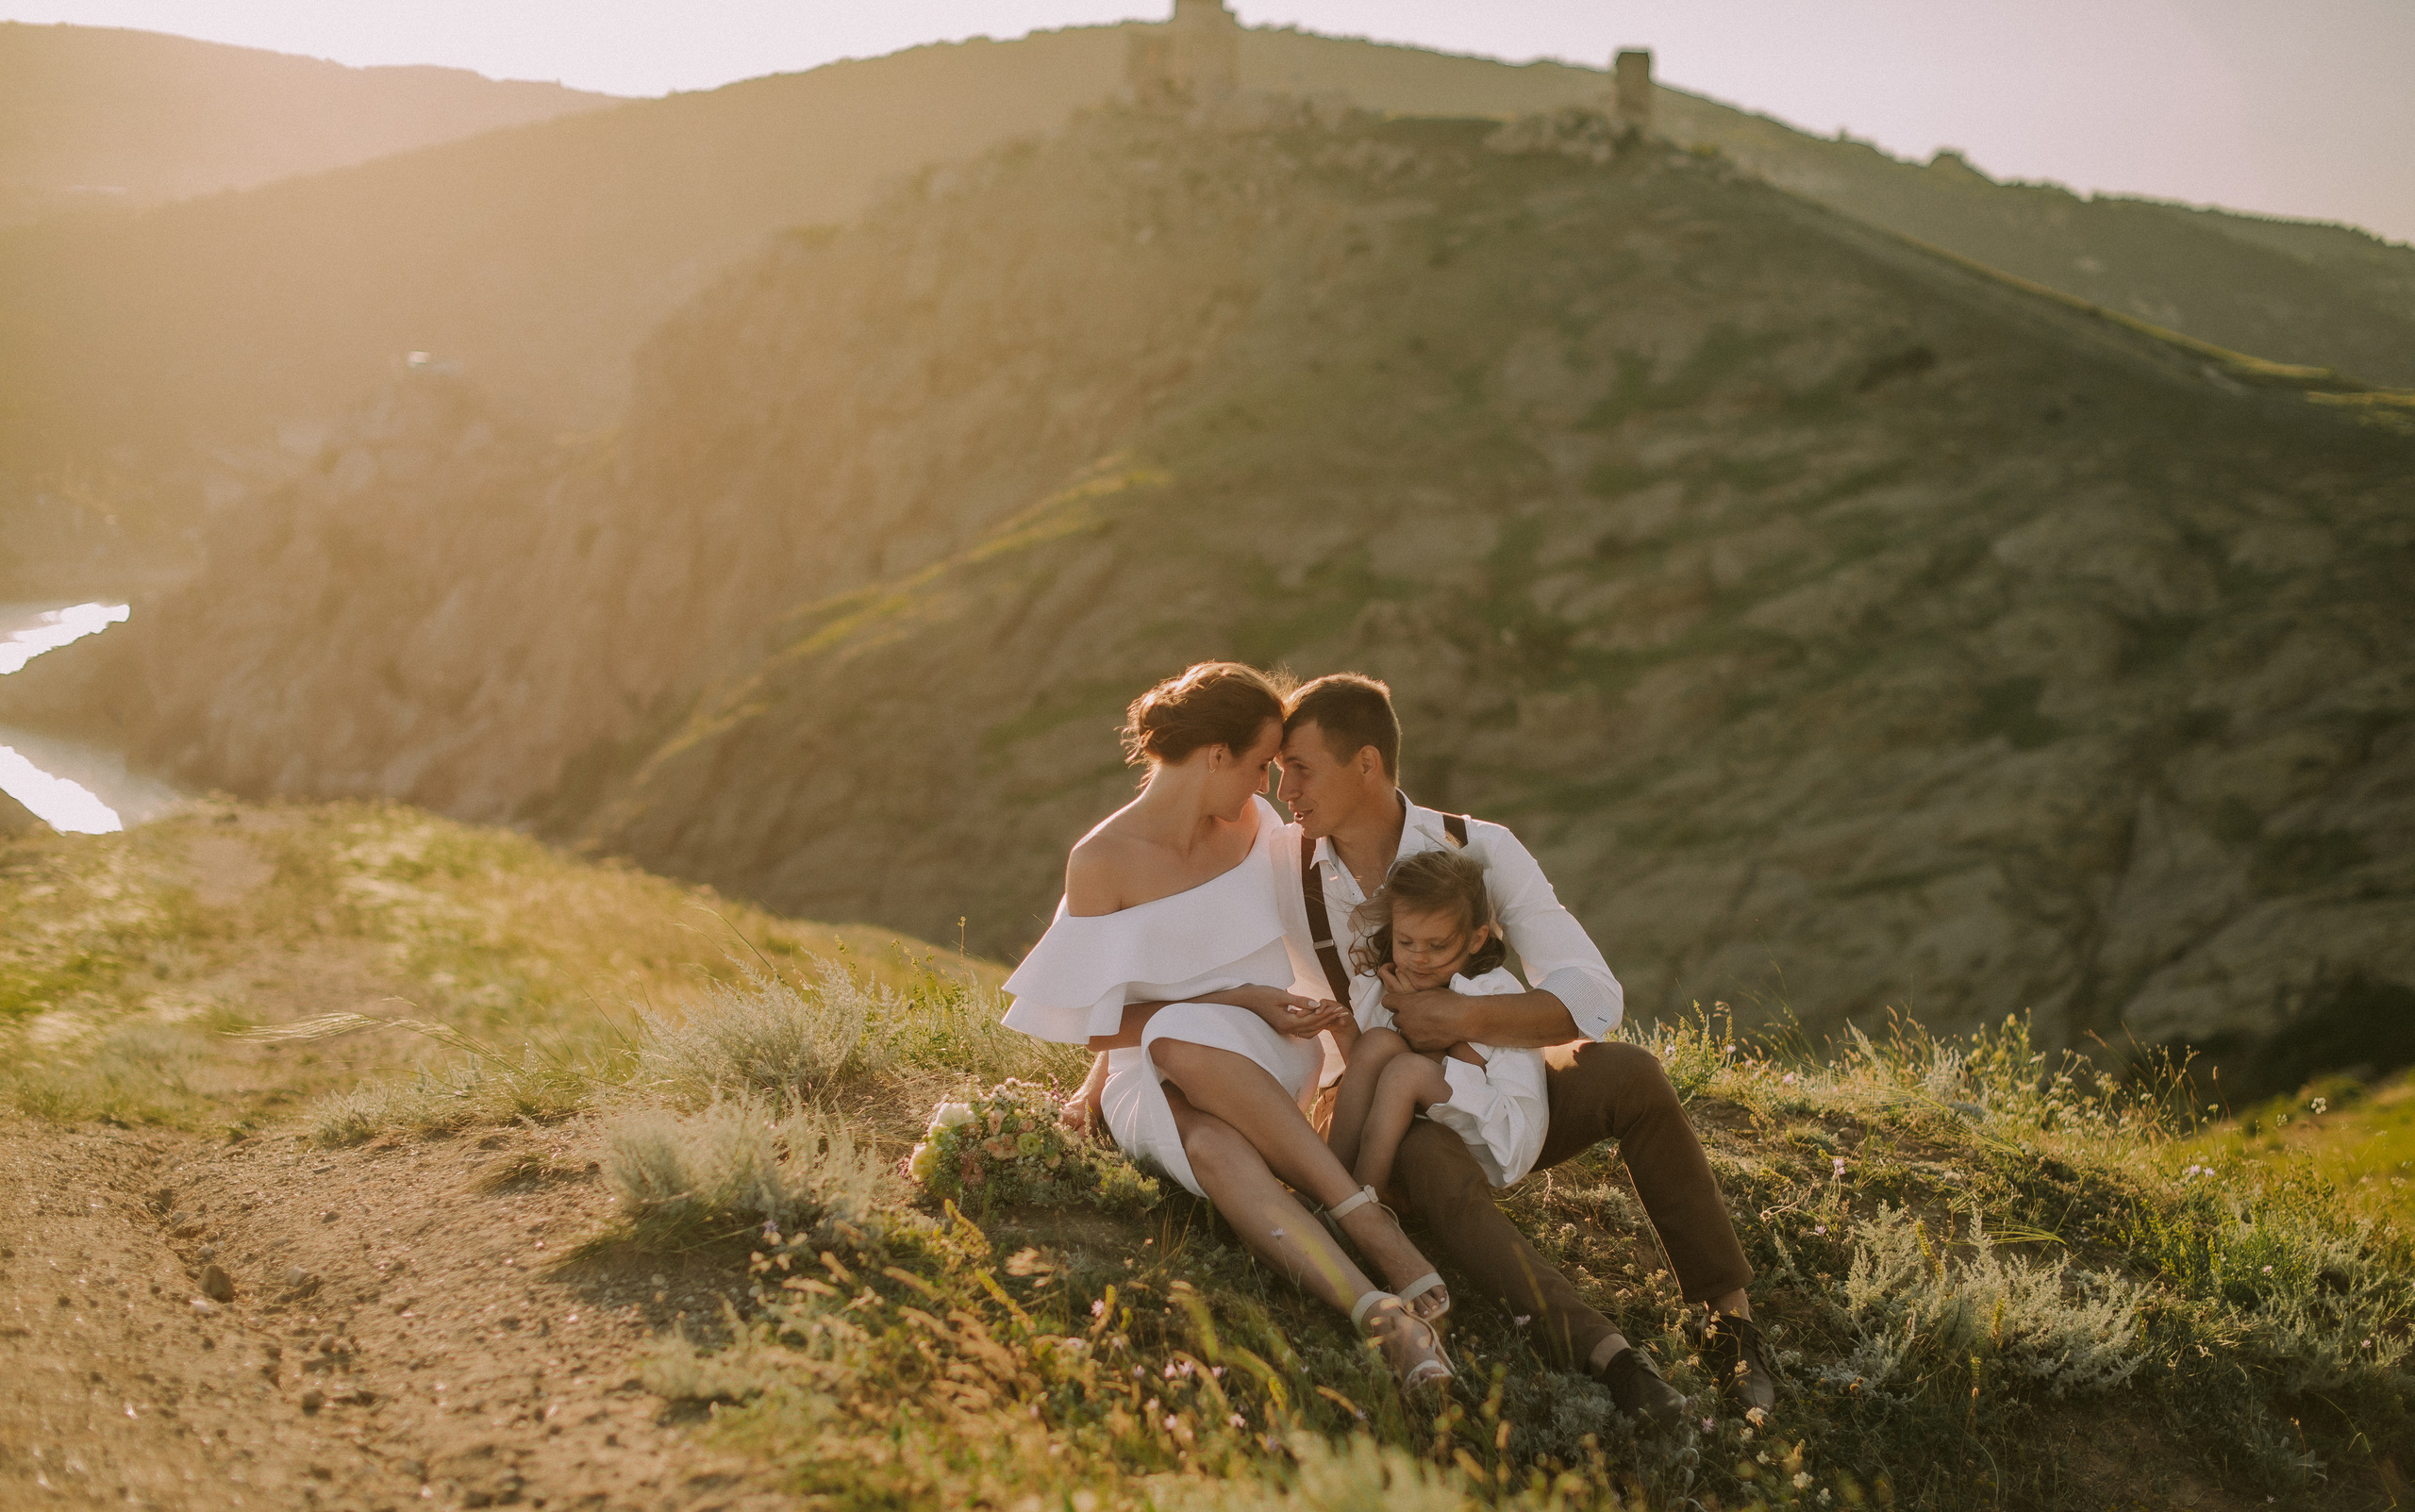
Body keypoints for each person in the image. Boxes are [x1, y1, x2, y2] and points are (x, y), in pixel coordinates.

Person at [1273, 673, 1776, 1427]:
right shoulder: (1285, 870)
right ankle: (1612, 1358)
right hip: (1395, 1117)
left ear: (1367, 764)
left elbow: (1593, 994)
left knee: (1632, 1073)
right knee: (1433, 1164)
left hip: (1503, 1082)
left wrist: (1454, 1021)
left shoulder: (1479, 847)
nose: (1285, 789)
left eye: (1301, 768)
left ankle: (1731, 1327)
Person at [1003, 661, 1453, 1389]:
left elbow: (1327, 915)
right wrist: (1234, 1000)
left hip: (1266, 1052)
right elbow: (1099, 1023)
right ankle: (1376, 1310)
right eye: (1257, 764)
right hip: (1150, 1072)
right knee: (1204, 1130)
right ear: (1216, 755)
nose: (1269, 786)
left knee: (1186, 1043)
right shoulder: (1100, 861)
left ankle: (1360, 1216)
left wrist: (1339, 1023)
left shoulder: (1253, 827)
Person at [1325, 849, 1547, 1204]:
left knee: (1405, 1072)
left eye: (1436, 945)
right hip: (1433, 1112)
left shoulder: (1490, 988)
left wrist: (1417, 1011)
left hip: (1495, 1129)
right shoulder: (1390, 981)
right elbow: (1368, 1076)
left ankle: (1364, 1206)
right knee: (1379, 1042)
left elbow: (1465, 1069)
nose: (1418, 958)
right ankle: (1328, 1182)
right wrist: (1344, 1030)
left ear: (1476, 939)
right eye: (1405, 942)